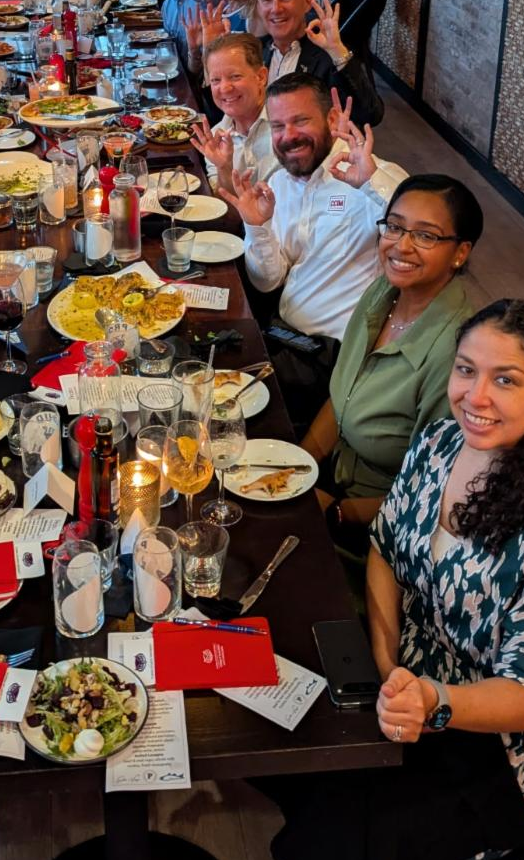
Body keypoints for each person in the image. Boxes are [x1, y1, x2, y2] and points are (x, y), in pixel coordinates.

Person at [269, 301, 524, 860]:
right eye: (465, 370)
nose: (475, 396)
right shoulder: (439, 442)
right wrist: (385, 662)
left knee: (339, 811)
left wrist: (431, 700)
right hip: (414, 679)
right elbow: (385, 548)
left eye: (505, 379)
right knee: (301, 741)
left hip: (510, 748)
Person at [302, 173, 485, 549]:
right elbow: (341, 398)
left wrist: (336, 512)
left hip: (382, 530)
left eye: (426, 235)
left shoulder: (456, 352)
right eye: (396, 227)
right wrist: (295, 470)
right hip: (331, 478)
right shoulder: (384, 291)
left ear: (460, 252)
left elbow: (434, 490)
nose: (401, 245)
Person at [218, 78, 406, 430]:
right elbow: (268, 281)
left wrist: (370, 182)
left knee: (225, 412)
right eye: (278, 126)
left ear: (331, 118)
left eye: (300, 121)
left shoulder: (372, 173)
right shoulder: (279, 185)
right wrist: (257, 228)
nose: (288, 136)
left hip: (331, 359)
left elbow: (417, 228)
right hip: (283, 337)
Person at [257, 0, 383, 127]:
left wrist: (337, 51)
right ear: (259, 6)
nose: (276, 8)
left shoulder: (328, 55)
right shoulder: (255, 52)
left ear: (308, 2)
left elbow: (370, 115)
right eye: (267, 0)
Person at [189, 33, 277, 188]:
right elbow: (226, 202)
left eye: (235, 76)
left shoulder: (287, 127)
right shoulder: (215, 138)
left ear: (261, 77)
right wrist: (224, 168)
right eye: (216, 80)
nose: (225, 88)